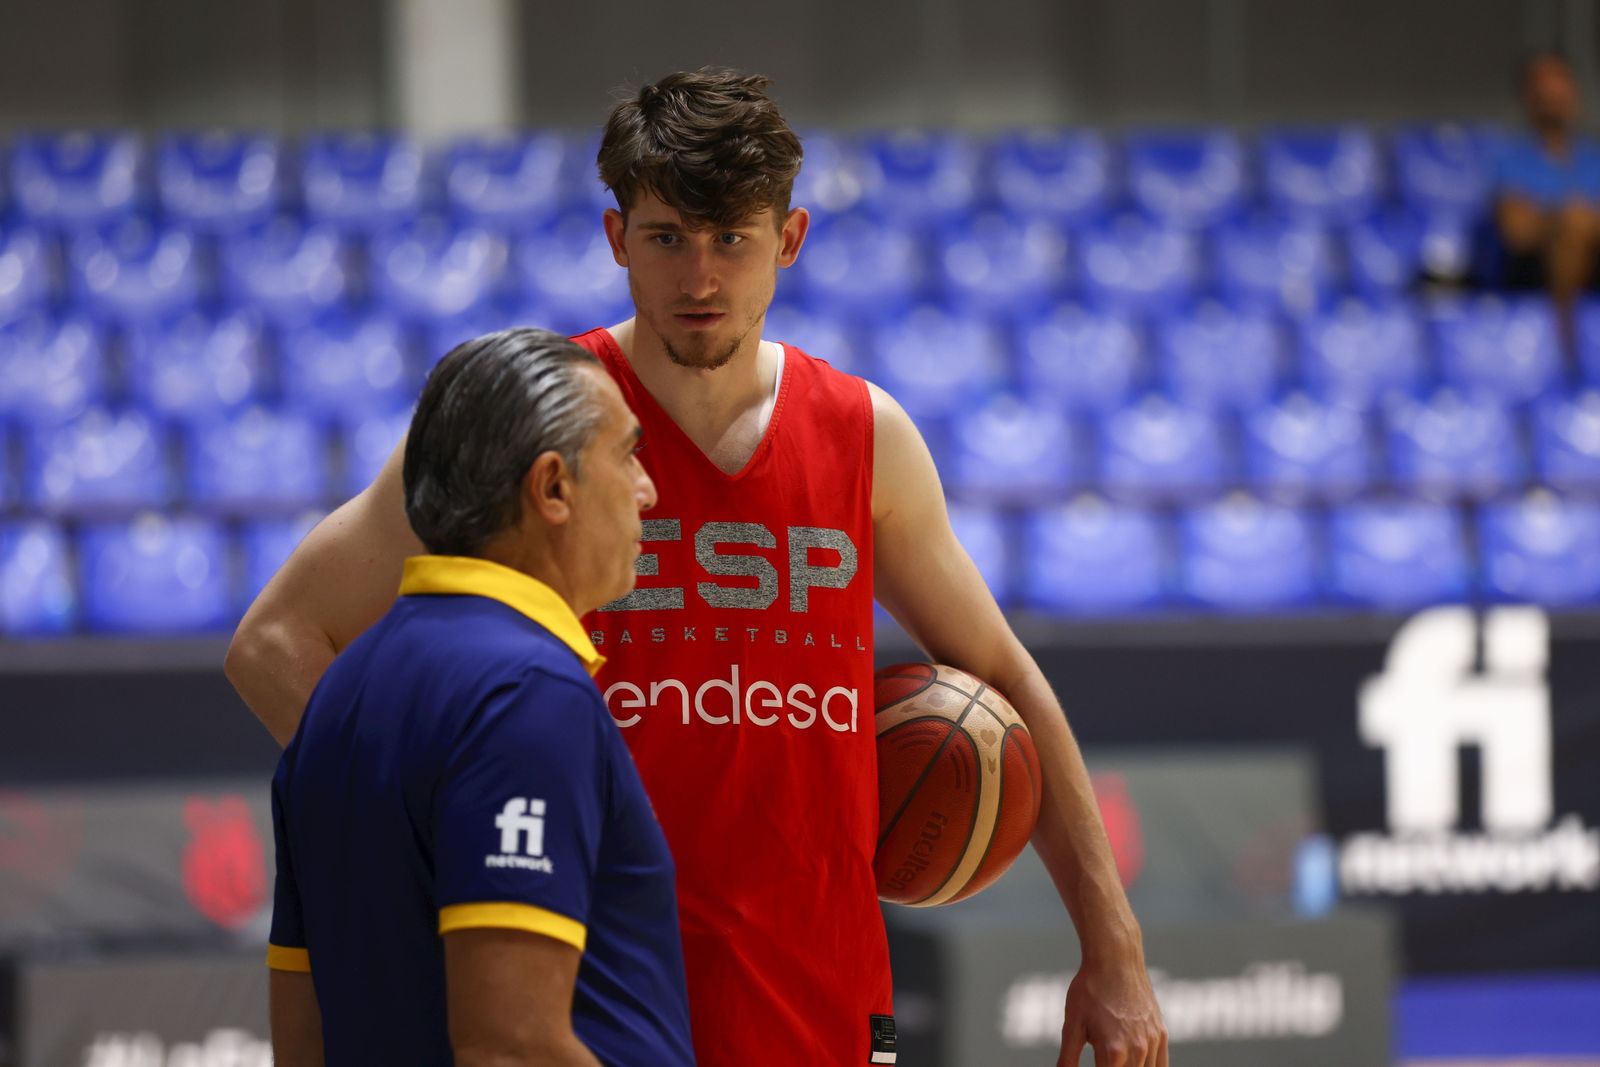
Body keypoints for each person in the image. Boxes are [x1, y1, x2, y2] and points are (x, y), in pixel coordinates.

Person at [233, 70, 1168, 1067]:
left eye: (732, 238)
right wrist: (448, 827)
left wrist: (1114, 943)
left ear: (789, 239)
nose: (701, 278)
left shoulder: (867, 434)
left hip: (820, 998)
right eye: (667, 237)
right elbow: (275, 641)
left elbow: (1005, 677)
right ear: (616, 238)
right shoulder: (531, 425)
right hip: (593, 1003)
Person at [266, 328, 693, 1067]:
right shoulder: (528, 694)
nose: (646, 489)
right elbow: (511, 1046)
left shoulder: (341, 691)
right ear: (553, 487)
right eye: (627, 455)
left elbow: (302, 1042)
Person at [1494, 50, 1600, 366]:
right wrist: (1566, 220)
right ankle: (1569, 356)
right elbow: (1517, 231)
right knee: (1576, 226)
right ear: (1528, 97)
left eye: (1560, 86)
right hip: (1533, 268)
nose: (1554, 96)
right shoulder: (1509, 158)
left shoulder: (1593, 158)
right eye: (1544, 88)